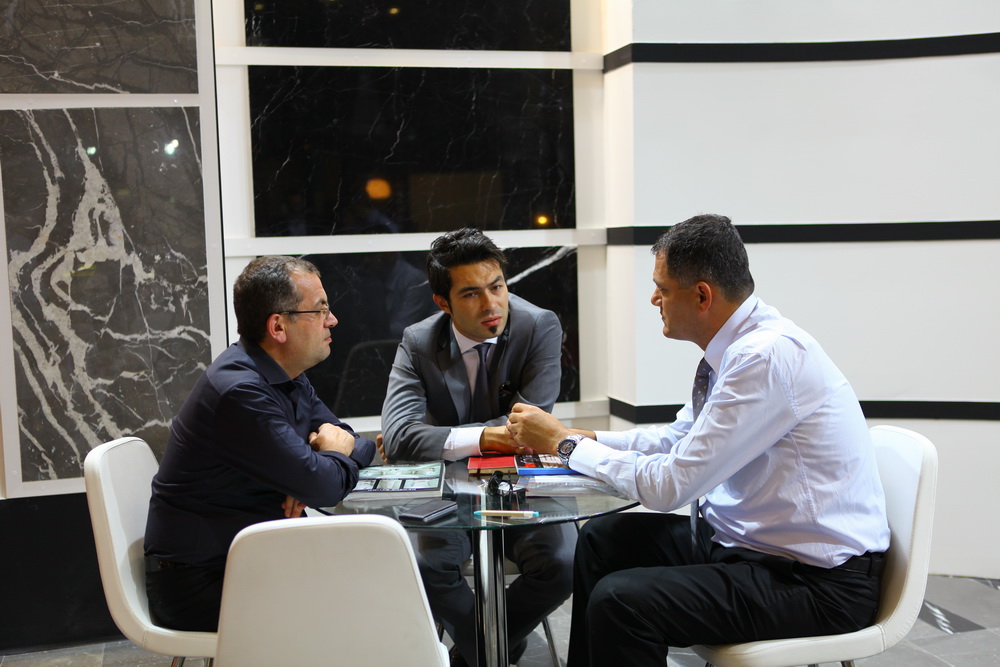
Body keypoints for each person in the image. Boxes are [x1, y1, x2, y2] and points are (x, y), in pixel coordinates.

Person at [506, 214, 890, 667]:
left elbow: (671, 487)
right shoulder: (739, 348)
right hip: (747, 549)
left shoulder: (764, 357)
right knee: (602, 539)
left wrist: (564, 445)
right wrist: (579, 436)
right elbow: (677, 439)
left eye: (662, 289)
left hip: (817, 585)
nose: (654, 299)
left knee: (622, 602)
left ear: (702, 295)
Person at [144, 256, 376, 632]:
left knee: (382, 574)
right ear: (278, 326)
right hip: (205, 582)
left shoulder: (286, 374)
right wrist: (321, 464)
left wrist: (314, 467)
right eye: (320, 310)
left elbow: (354, 442)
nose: (332, 320)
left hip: (254, 560)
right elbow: (325, 485)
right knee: (375, 599)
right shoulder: (239, 391)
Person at [380, 228, 575, 666]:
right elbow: (398, 437)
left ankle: (477, 653)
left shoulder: (538, 326)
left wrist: (441, 437)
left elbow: (528, 428)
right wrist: (488, 436)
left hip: (522, 487)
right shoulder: (419, 341)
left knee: (564, 564)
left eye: (497, 286)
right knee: (426, 567)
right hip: (447, 494)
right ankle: (498, 648)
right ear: (443, 302)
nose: (491, 305)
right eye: (471, 294)